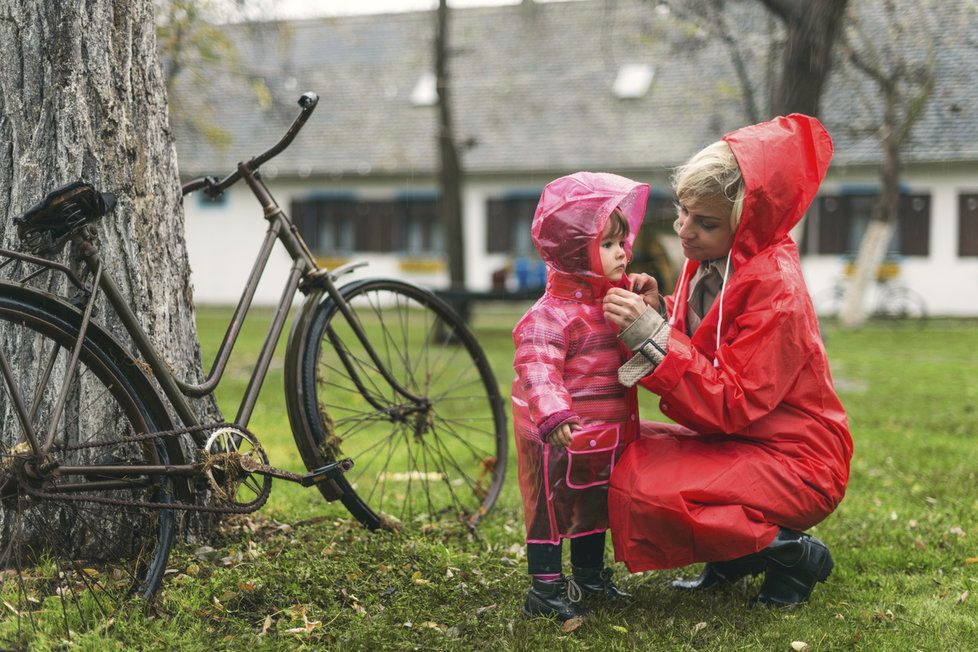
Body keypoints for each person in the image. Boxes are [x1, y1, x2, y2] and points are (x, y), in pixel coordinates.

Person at [602, 114, 853, 608]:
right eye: (683, 212)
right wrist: (661, 309)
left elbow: (732, 400)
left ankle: (790, 554)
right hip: (743, 444)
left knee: (650, 490)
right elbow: (707, 339)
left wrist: (650, 336)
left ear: (750, 221)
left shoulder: (776, 289)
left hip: (798, 462)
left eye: (705, 222)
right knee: (617, 447)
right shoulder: (716, 257)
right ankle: (736, 554)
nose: (684, 231)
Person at [512, 171, 650, 621]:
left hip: (603, 435)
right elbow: (536, 368)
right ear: (576, 252)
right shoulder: (551, 316)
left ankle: (590, 576)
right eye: (608, 245)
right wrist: (553, 415)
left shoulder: (612, 300)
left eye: (622, 242)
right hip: (558, 438)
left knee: (595, 505)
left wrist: (651, 306)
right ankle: (546, 587)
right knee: (549, 510)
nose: (622, 252)